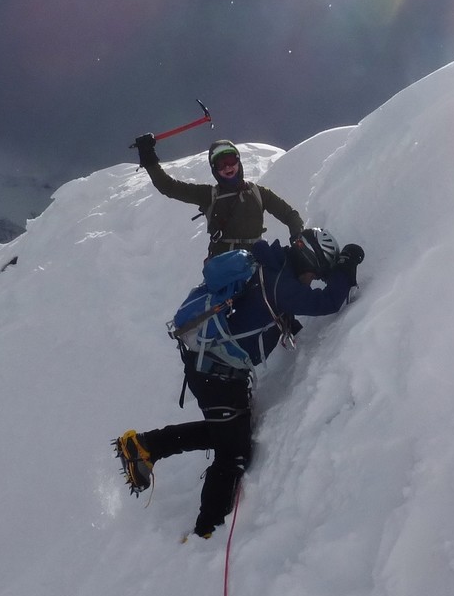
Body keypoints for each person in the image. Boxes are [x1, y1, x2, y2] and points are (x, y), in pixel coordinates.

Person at [114, 228, 365, 540]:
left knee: (228, 433)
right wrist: (348, 263)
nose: (311, 279)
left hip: (208, 366)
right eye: (314, 272)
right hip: (217, 374)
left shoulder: (269, 268)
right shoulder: (281, 284)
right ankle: (207, 531)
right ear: (308, 260)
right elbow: (328, 301)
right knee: (233, 453)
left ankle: (146, 446)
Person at [133, 133, 304, 258]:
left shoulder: (259, 193)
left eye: (231, 160)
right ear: (214, 170)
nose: (227, 167)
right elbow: (168, 187)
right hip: (224, 265)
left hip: (256, 260)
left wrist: (298, 238)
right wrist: (148, 157)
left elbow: (290, 215)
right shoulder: (209, 195)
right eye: (221, 164)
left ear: (239, 161)